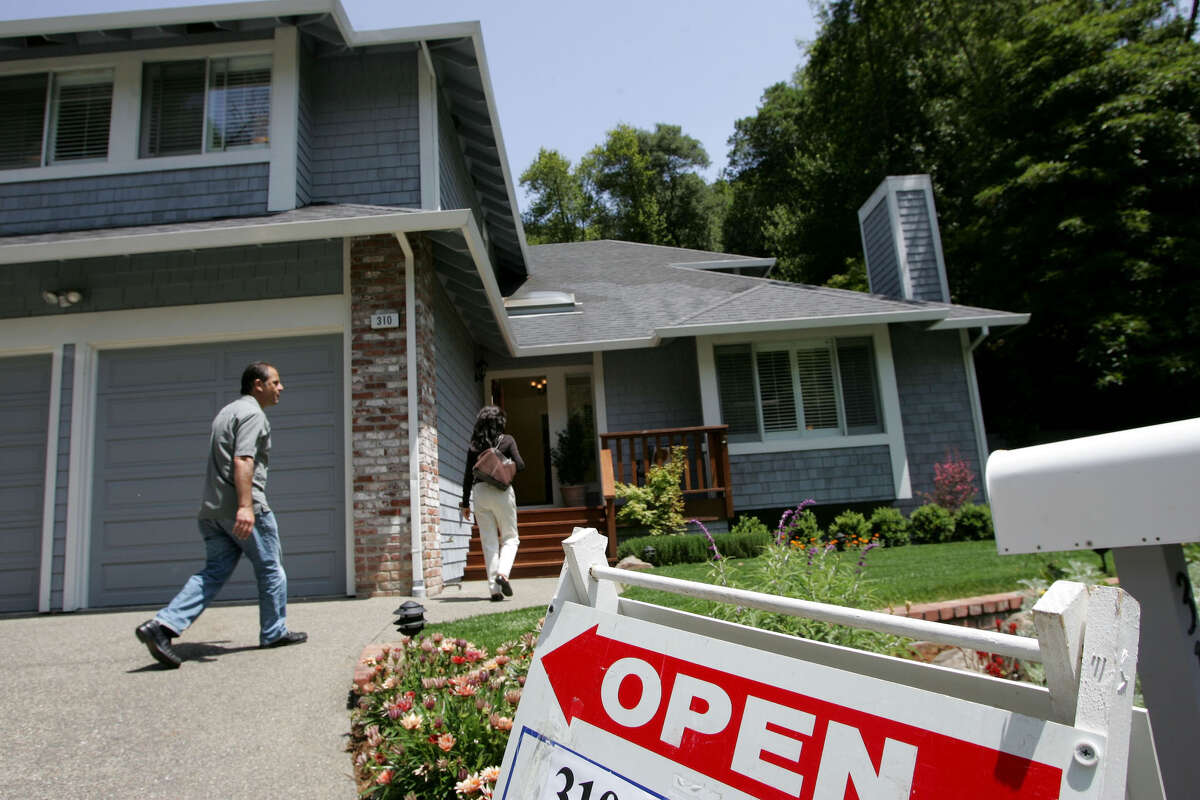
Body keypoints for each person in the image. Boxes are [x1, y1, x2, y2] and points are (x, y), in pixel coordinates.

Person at [135, 362, 307, 668]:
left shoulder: (227, 412)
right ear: (258, 384)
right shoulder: (254, 414)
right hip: (242, 507)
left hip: (212, 511)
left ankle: (162, 627)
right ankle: (273, 631)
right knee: (271, 568)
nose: (281, 388)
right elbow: (243, 459)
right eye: (276, 382)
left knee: (213, 573)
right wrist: (245, 507)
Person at [460, 406, 525, 602]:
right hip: (501, 493)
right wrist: (502, 467)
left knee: (489, 541)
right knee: (510, 538)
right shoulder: (507, 440)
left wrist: (465, 503)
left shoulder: (474, 445)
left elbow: (467, 476)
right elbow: (521, 465)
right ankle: (503, 574)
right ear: (500, 423)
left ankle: (494, 590)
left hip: (479, 493)